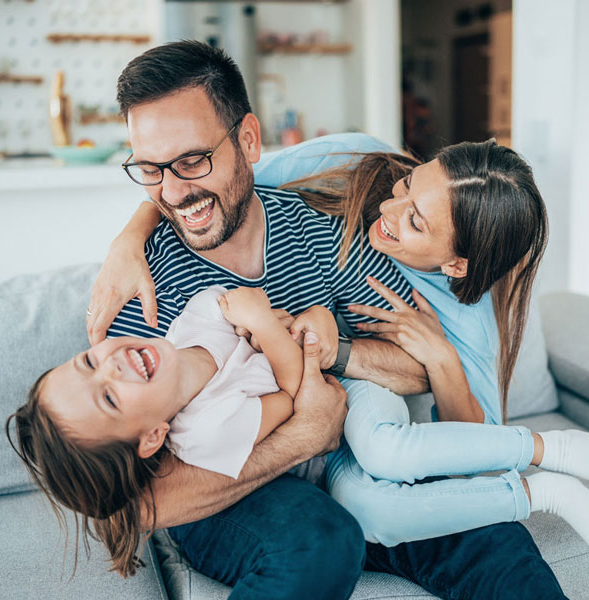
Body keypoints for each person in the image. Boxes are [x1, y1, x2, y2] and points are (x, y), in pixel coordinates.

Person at [81, 40, 569, 599]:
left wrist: (339, 349)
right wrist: (302, 435)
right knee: (319, 540)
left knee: (492, 538)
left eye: (193, 161)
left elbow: (414, 366)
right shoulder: (138, 285)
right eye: (149, 169)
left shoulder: (319, 233)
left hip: (345, 471)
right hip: (233, 498)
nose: (172, 191)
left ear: (247, 140)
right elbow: (134, 500)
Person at [8, 282, 589, 580]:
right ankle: (544, 481)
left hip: (353, 400)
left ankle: (552, 454)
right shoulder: (199, 429)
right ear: (151, 436)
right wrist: (273, 331)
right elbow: (299, 410)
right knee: (367, 510)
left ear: (246, 137)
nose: (111, 365)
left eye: (89, 362)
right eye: (109, 397)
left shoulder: (194, 315)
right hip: (314, 431)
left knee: (452, 509)